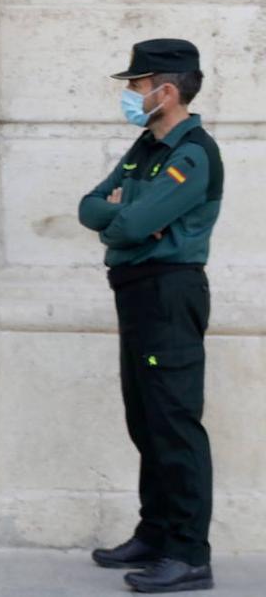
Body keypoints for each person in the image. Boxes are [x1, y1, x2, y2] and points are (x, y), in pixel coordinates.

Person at [79, 39, 222, 594]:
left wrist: (123, 216)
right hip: (137, 292)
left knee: (174, 421)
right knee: (145, 417)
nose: (131, 94)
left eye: (137, 85)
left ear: (167, 89)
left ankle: (189, 553)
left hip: (169, 292)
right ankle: (156, 532)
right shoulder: (145, 147)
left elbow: (129, 226)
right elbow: (91, 205)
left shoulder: (194, 153)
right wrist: (123, 214)